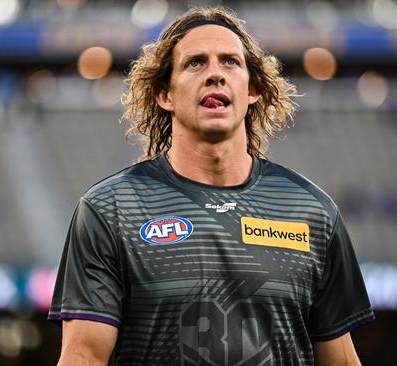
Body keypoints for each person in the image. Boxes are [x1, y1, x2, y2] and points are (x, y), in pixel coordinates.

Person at [49, 6, 373, 366]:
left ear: (252, 90)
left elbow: (340, 360)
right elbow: (84, 357)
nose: (215, 74)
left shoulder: (311, 211)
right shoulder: (111, 210)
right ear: (164, 95)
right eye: (195, 63)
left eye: (230, 62)